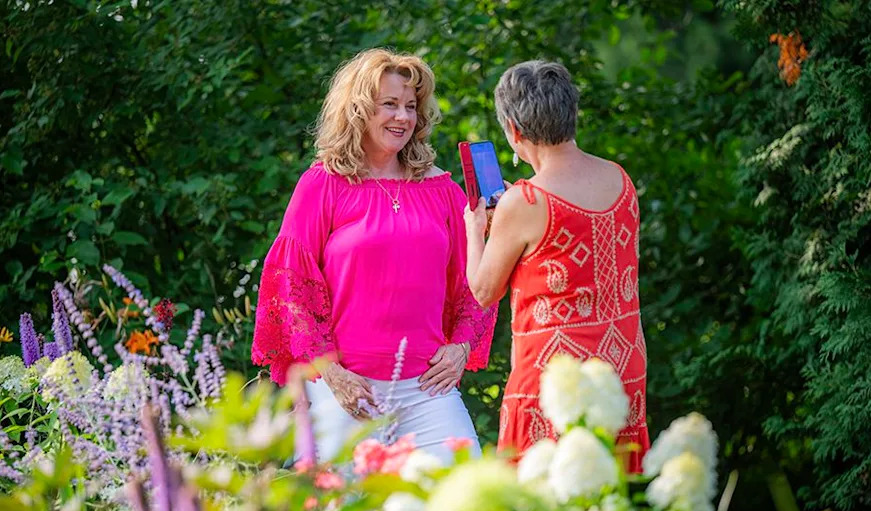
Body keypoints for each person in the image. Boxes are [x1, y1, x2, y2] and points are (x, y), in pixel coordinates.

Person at [252, 48, 497, 464]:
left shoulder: (443, 191)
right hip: (347, 392)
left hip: (427, 392)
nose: (402, 117)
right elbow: (290, 287)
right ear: (360, 109)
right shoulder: (322, 185)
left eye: (410, 107)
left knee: (461, 499)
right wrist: (331, 374)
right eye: (389, 105)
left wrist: (459, 347)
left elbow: (477, 283)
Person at [464, 60, 650, 471]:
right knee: (617, 500)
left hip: (555, 382)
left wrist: (475, 228)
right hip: (622, 371)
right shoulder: (620, 180)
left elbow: (482, 291)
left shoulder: (524, 202)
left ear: (514, 130)